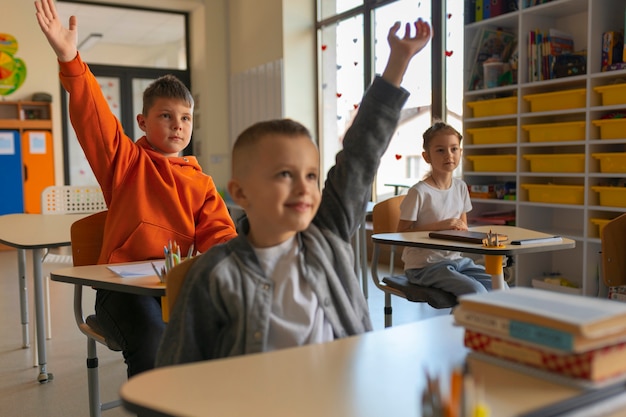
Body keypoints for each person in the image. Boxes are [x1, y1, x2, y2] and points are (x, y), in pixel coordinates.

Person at [156, 18, 432, 365]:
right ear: (240, 193)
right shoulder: (214, 274)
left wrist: (398, 63)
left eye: (312, 175)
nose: (304, 187)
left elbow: (360, 156)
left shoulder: (326, 236)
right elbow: (178, 371)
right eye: (285, 174)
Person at [35, 0, 238, 377]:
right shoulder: (126, 162)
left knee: (226, 331)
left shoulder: (201, 182)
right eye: (166, 116)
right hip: (121, 293)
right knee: (155, 341)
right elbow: (92, 115)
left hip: (171, 289)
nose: (178, 125)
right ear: (143, 122)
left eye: (186, 118)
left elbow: (219, 235)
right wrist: (70, 60)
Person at [397, 121, 500, 298]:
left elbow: (463, 231)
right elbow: (401, 234)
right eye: (440, 150)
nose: (449, 155)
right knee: (476, 292)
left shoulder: (460, 187)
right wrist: (439, 226)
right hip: (424, 266)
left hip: (456, 261)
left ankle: (480, 325)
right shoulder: (419, 192)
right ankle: (457, 326)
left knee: (501, 286)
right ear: (426, 156)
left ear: (460, 152)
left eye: (454, 149)